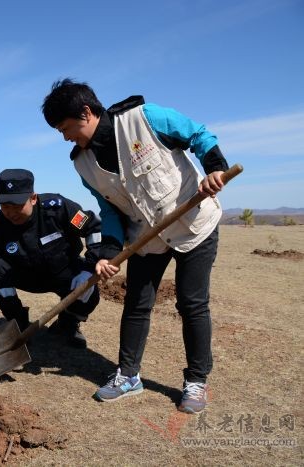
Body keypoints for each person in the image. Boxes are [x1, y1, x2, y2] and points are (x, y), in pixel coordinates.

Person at [42, 79, 228, 414]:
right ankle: (128, 376)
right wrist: (107, 253)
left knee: (191, 303)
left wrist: (214, 167)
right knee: (137, 304)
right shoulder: (82, 164)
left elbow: (197, 134)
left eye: (65, 128)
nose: (66, 137)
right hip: (147, 237)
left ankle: (196, 381)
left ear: (86, 112)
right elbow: (110, 210)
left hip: (195, 224)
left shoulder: (145, 118)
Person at [0, 169, 102, 348]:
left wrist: (89, 268)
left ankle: (67, 323)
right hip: (27, 277)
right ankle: (20, 326)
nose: (11, 212)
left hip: (65, 272)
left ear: (33, 198)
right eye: (5, 206)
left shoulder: (58, 207)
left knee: (90, 294)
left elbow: (94, 229)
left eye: (17, 205)